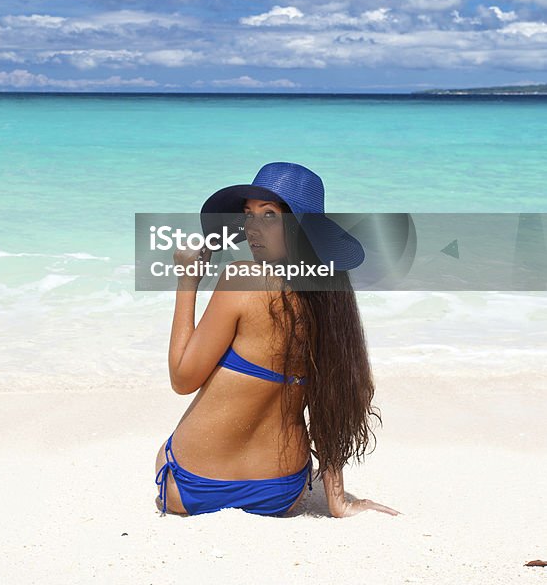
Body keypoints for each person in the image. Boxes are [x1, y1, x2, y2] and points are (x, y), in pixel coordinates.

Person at [154, 161, 402, 519]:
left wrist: (187, 281)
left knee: (166, 453)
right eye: (248, 215)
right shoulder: (329, 302)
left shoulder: (242, 278)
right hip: (281, 492)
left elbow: (182, 378)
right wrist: (338, 500)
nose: (252, 228)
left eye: (269, 216)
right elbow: (328, 401)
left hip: (194, 486)